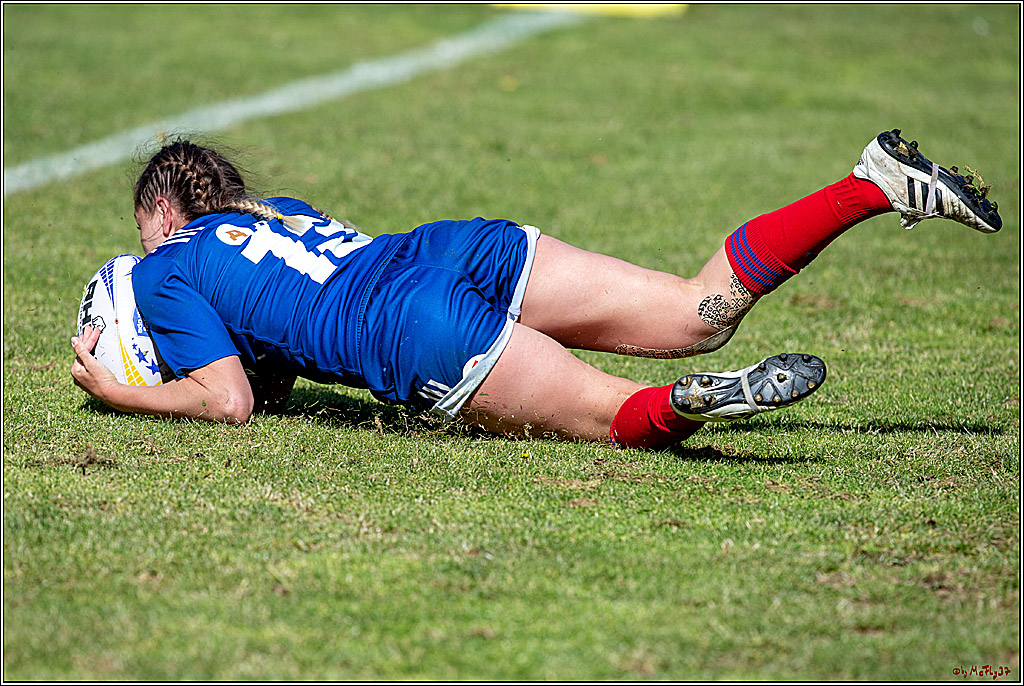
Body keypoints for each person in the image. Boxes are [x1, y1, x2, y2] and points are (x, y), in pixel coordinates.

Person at [70, 129, 1001, 450]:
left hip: (415, 327)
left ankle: (679, 409)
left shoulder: (163, 268)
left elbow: (232, 401)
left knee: (619, 419)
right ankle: (870, 184)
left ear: (160, 213)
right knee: (693, 310)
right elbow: (275, 359)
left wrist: (127, 388)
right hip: (459, 247)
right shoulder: (277, 213)